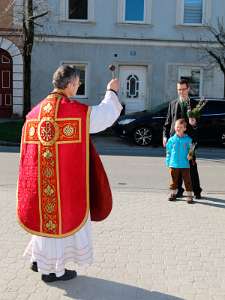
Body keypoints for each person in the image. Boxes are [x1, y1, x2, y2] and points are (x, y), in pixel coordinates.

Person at [17, 65, 122, 282]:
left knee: (44, 221)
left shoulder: (34, 114)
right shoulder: (75, 112)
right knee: (59, 228)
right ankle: (53, 272)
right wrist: (111, 93)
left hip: (40, 185)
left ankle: (38, 260)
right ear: (71, 83)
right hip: (63, 187)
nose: (79, 86)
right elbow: (104, 116)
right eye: (78, 83)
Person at [163, 79, 202, 199]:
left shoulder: (195, 104)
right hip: (175, 141)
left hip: (189, 142)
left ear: (188, 89)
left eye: (183, 89)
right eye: (179, 89)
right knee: (176, 166)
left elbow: (199, 124)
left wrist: (194, 123)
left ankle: (196, 191)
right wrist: (165, 136)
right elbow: (168, 122)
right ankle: (178, 190)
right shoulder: (173, 103)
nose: (181, 92)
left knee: (191, 165)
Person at [166, 119, 193, 204]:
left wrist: (190, 155)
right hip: (174, 164)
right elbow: (168, 151)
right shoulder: (171, 140)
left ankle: (189, 195)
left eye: (180, 127)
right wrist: (168, 162)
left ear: (185, 128)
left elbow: (191, 150)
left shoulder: (188, 139)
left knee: (187, 180)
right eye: (177, 127)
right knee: (174, 181)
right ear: (174, 127)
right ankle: (173, 194)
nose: (178, 128)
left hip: (185, 164)